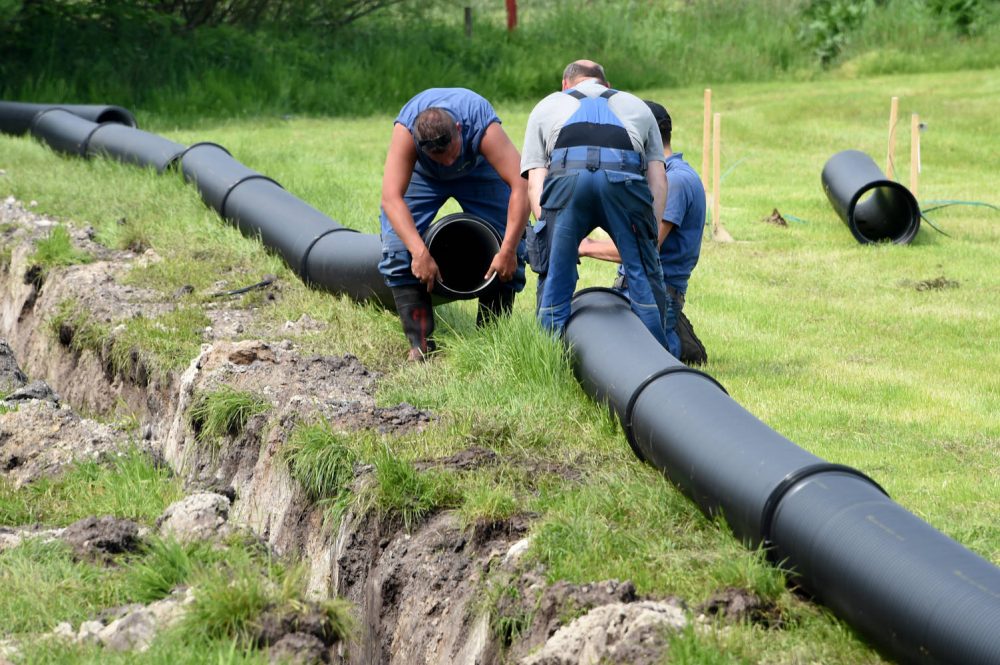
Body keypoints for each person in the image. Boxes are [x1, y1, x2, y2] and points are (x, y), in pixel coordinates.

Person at [520, 60, 671, 346]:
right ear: (607, 86)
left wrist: (549, 231)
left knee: (556, 277)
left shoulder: (546, 106)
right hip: (623, 183)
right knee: (643, 277)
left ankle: (547, 358)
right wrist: (648, 235)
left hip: (567, 182)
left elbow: (535, 182)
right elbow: (659, 180)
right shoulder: (637, 105)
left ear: (565, 85)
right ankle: (657, 360)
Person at [379, 88, 529, 361]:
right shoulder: (406, 133)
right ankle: (421, 345)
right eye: (440, 158)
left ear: (459, 129)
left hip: (477, 169)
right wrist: (420, 253)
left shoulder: (481, 126)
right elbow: (391, 198)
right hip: (424, 176)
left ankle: (492, 343)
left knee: (513, 250)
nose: (448, 162)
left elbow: (521, 183)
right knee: (397, 252)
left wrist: (507, 250)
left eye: (450, 152)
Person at [579, 100, 708, 364]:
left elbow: (645, 248)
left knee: (621, 360)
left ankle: (673, 342)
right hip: (635, 288)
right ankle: (670, 331)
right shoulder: (658, 177)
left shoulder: (676, 181)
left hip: (654, 291)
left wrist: (585, 246)